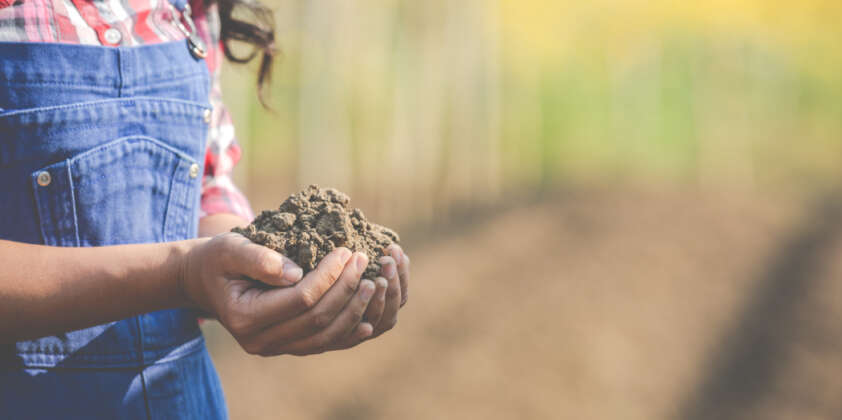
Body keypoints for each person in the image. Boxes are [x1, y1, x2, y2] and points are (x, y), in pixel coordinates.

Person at [0, 0, 410, 418]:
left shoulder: (187, 9)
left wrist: (259, 265)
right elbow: (189, 263)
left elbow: (203, 187)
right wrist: (183, 275)